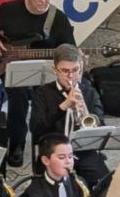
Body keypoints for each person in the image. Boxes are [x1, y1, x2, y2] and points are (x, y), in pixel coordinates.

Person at [0, 0, 76, 168]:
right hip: (12, 67)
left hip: (47, 72)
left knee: (50, 95)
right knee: (19, 93)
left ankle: (49, 143)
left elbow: (69, 50)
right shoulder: (9, 9)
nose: (43, 0)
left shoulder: (58, 18)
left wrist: (76, 60)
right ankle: (17, 142)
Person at [30, 45, 109, 187]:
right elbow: (36, 129)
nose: (71, 76)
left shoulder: (90, 92)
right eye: (65, 71)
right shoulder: (42, 93)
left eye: (75, 70)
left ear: (81, 69)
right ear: (55, 70)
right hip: (54, 153)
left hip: (84, 151)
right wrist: (63, 106)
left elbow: (101, 127)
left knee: (106, 185)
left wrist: (86, 113)